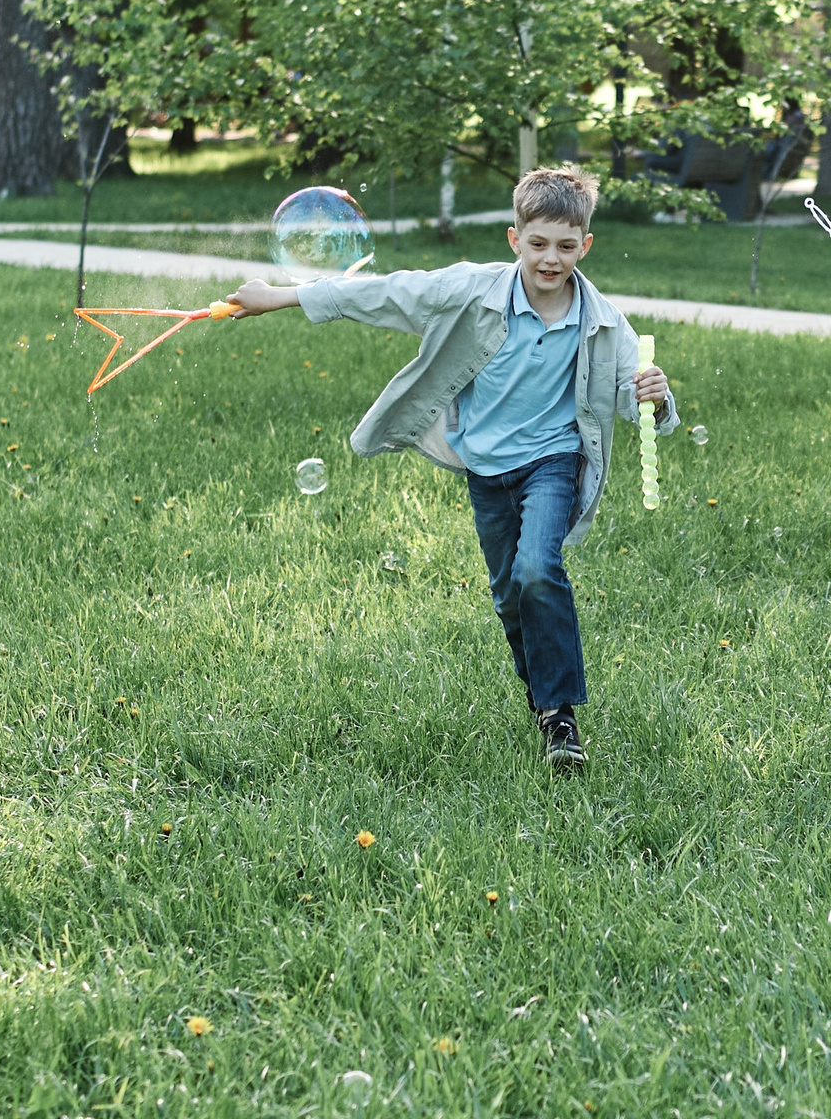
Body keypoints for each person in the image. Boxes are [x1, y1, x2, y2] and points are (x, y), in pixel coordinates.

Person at [221, 166, 673, 771]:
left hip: (553, 460)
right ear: (515, 239)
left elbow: (630, 398)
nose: (550, 259)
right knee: (511, 594)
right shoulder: (471, 289)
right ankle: (544, 705)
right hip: (486, 467)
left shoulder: (603, 321)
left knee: (539, 567)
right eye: (537, 243)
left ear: (584, 246)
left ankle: (562, 718)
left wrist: (656, 398)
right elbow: (384, 292)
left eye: (566, 246)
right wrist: (279, 297)